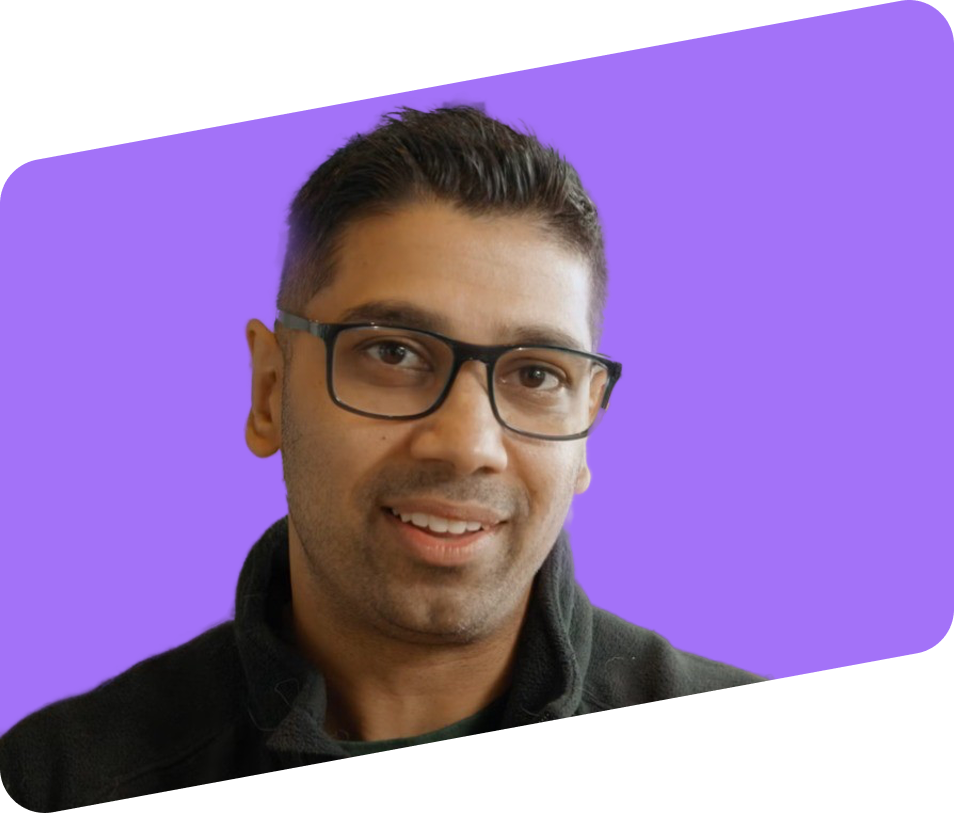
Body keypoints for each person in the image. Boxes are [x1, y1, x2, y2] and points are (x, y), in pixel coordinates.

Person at [0, 105, 768, 810]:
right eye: (393, 352)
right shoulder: (55, 780)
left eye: (537, 375)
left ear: (587, 427)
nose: (467, 444)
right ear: (270, 391)